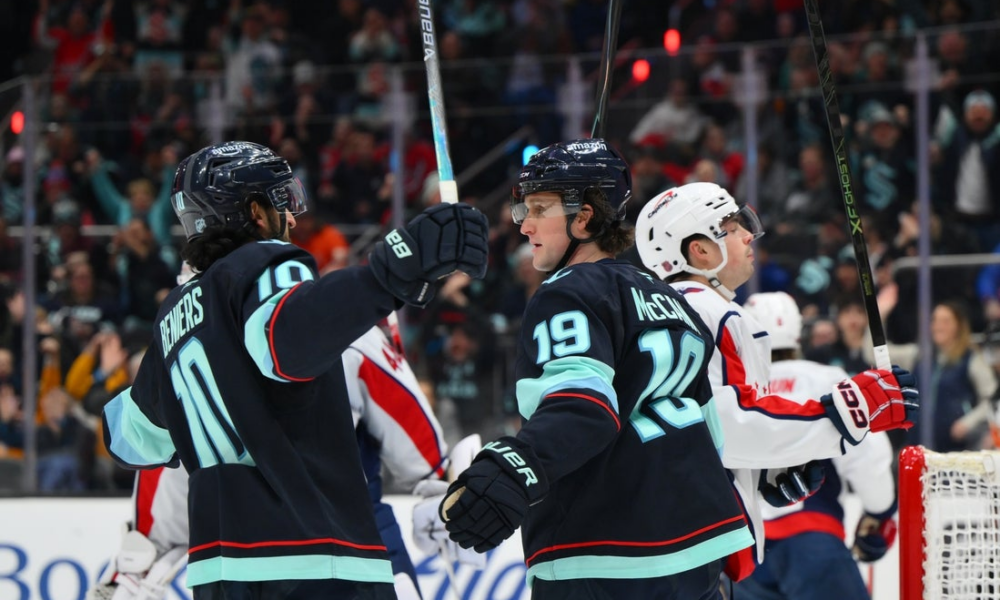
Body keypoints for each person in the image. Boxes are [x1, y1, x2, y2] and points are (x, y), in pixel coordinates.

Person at [101, 140, 489, 599]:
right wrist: (389, 272)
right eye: (282, 202)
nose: (291, 218)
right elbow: (288, 342)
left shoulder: (173, 320)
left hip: (219, 572)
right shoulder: (264, 266)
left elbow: (130, 440)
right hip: (317, 561)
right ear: (255, 211)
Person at [440, 138, 755, 599]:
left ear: (584, 217)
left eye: (539, 208)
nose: (524, 224)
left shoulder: (567, 293)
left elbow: (583, 406)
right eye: (524, 209)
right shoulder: (669, 297)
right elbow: (712, 430)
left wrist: (514, 468)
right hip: (700, 544)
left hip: (605, 548)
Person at [632, 181, 918, 581]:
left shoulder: (653, 310)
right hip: (694, 541)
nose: (748, 235)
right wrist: (851, 412)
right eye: (731, 228)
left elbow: (691, 431)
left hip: (659, 532)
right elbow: (721, 424)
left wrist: (763, 472)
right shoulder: (711, 311)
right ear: (699, 250)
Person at [90, 317, 478, 600]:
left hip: (244, 549)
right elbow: (418, 445)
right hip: (344, 541)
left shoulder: (188, 339)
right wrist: (438, 483)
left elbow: (171, 461)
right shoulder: (346, 329)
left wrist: (142, 555)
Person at [734, 292, 898, 600]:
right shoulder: (826, 379)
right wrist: (880, 511)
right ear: (799, 332)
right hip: (811, 539)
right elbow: (867, 455)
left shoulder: (733, 391)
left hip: (745, 553)